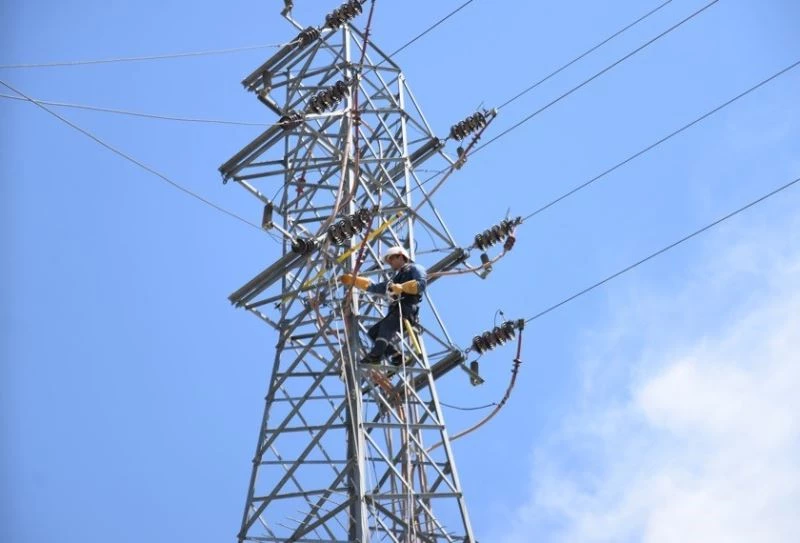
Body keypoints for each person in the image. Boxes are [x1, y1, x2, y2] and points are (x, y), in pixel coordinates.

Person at [340, 246, 427, 365]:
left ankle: (375, 355)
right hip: (396, 310)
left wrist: (402, 287)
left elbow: (421, 284)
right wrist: (354, 280)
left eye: (391, 259)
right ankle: (396, 356)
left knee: (386, 326)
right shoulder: (395, 279)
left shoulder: (415, 268)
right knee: (373, 332)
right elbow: (375, 287)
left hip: (406, 308)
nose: (390, 264)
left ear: (401, 256)